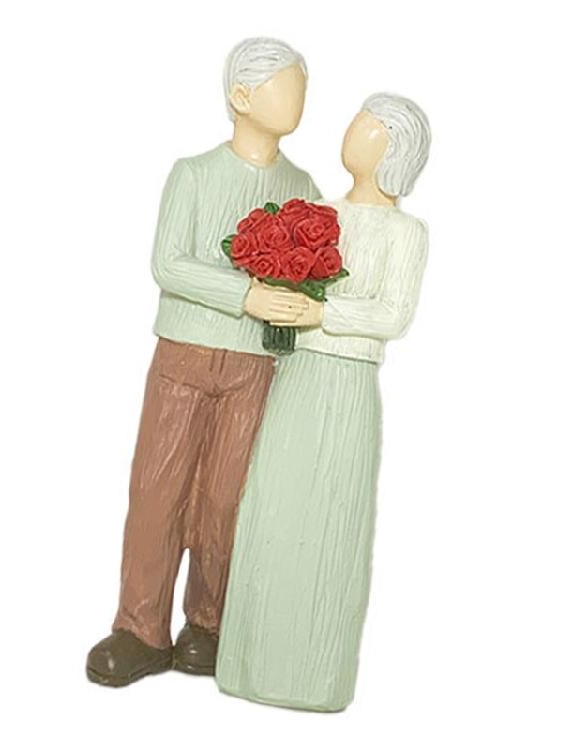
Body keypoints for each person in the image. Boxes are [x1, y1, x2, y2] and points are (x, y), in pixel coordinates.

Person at [86, 37, 321, 687]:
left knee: (226, 499)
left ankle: (210, 623)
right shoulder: (193, 174)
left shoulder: (303, 188)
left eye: (302, 86)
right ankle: (140, 628)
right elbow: (169, 263)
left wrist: (300, 303)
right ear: (242, 96)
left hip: (253, 365)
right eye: (285, 85)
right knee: (157, 491)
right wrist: (246, 293)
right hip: (184, 355)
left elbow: (313, 272)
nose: (298, 98)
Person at [216, 93, 431, 711]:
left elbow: (393, 315)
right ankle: (250, 662)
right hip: (296, 376)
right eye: (357, 120)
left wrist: (320, 312)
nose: (353, 130)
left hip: (346, 387)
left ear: (394, 148)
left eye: (368, 125)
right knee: (271, 507)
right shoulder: (319, 212)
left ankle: (311, 675)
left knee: (328, 516)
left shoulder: (406, 233)